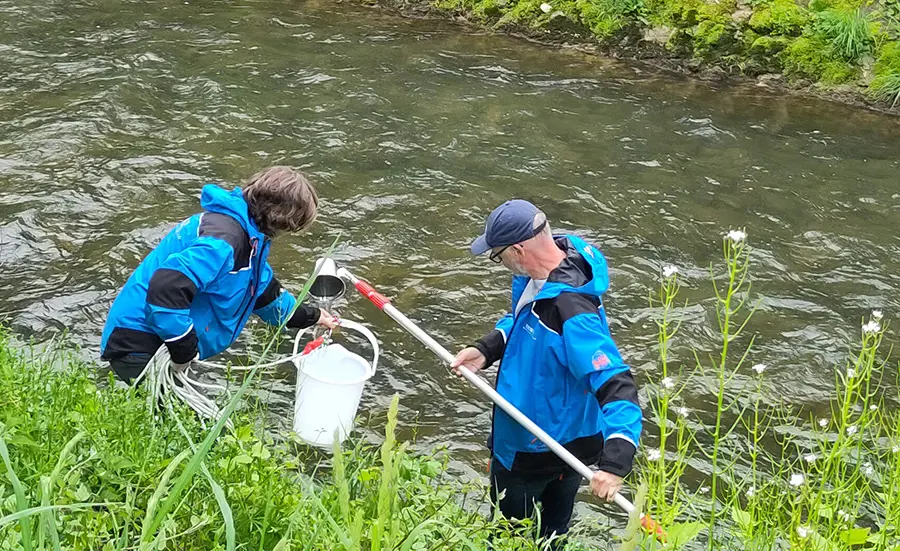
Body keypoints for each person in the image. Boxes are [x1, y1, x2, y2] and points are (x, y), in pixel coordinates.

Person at [451, 199, 642, 545]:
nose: (498, 263)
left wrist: (615, 464)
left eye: (497, 254)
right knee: (550, 537)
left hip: (533, 450)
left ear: (519, 250)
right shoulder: (542, 276)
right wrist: (487, 349)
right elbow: (522, 321)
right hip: (555, 439)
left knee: (509, 539)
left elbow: (618, 386)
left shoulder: (572, 310)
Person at [100, 166, 337, 383]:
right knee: (192, 427)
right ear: (283, 220)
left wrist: (313, 316)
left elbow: (264, 295)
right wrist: (184, 349)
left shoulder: (247, 235)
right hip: (139, 341)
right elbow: (167, 288)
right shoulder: (225, 241)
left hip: (160, 338)